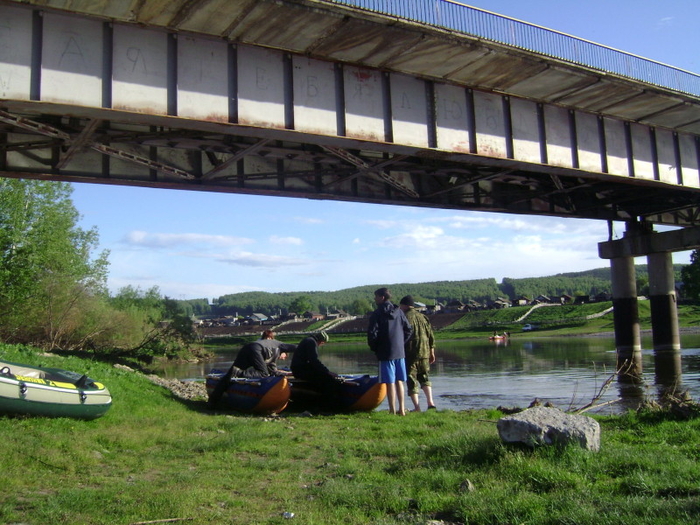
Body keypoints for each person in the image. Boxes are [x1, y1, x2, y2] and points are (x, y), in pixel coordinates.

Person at [367, 287, 413, 415]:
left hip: (385, 353)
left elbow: (372, 334)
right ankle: (402, 409)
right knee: (399, 381)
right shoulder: (399, 311)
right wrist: (400, 343)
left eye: (376, 296)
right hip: (399, 352)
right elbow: (409, 329)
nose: (374, 299)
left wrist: (375, 348)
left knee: (389, 382)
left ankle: (392, 410)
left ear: (382, 297)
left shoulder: (376, 314)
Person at [398, 295, 437, 412]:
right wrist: (432, 351)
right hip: (425, 352)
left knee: (411, 380)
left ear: (404, 305)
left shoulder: (404, 317)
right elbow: (431, 336)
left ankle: (417, 407)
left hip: (410, 353)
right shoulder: (423, 317)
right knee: (424, 377)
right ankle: (431, 403)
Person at [290, 331, 341, 399]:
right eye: (322, 343)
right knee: (329, 380)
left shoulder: (308, 340)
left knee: (322, 376)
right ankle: (327, 402)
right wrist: (327, 372)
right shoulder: (311, 342)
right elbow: (314, 361)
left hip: (298, 369)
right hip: (301, 371)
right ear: (321, 341)